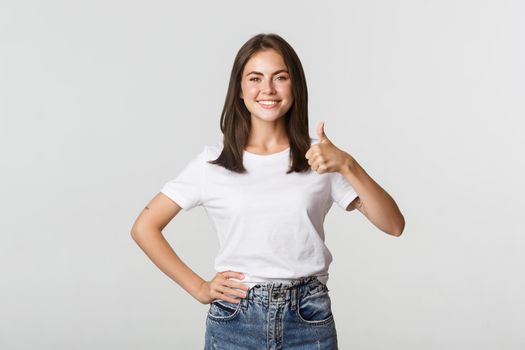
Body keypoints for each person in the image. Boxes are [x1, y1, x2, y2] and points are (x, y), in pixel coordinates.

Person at [130, 33, 405, 349]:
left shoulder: (321, 158)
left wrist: (348, 165)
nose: (268, 90)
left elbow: (393, 225)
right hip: (235, 319)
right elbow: (144, 228)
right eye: (255, 78)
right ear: (240, 90)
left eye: (280, 77)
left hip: (308, 317)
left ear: (295, 86)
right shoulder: (212, 162)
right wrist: (199, 288)